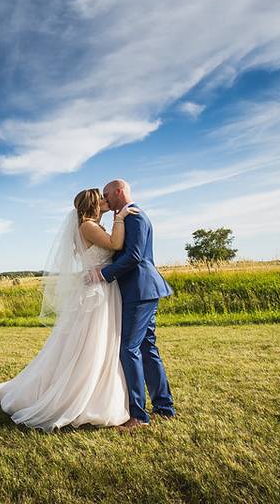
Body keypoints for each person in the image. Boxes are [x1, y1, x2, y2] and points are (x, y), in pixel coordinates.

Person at [0, 188, 136, 432]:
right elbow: (115, 243)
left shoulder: (91, 226)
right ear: (93, 204)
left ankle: (97, 391)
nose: (106, 201)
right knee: (91, 343)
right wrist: (121, 216)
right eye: (102, 199)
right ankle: (83, 396)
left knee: (99, 342)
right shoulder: (87, 226)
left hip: (103, 288)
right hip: (97, 292)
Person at [90, 179, 176, 430]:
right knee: (147, 347)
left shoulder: (135, 217)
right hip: (142, 290)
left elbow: (134, 256)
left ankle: (138, 415)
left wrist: (104, 274)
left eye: (107, 194)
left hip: (139, 289)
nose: (105, 200)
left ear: (119, 192)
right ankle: (164, 407)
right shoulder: (125, 217)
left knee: (129, 348)